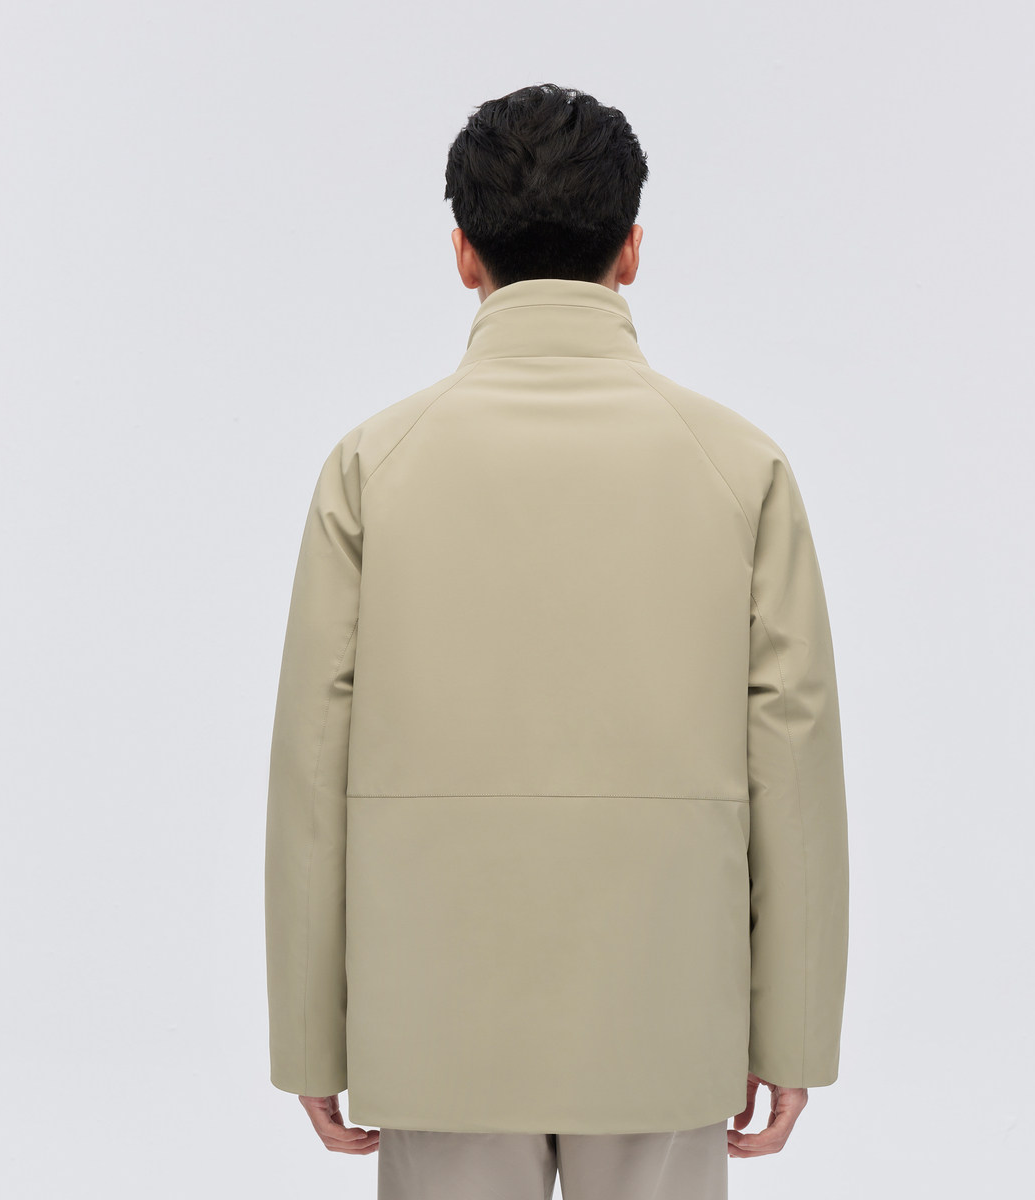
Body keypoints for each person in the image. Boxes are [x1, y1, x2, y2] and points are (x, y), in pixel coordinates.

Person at [264, 81, 850, 1200]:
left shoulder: (372, 467)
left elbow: (311, 763)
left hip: (432, 1014)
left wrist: (310, 1036)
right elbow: (794, 753)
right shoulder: (741, 467)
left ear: (462, 253)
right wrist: (795, 1031)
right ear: (631, 250)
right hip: (668, 1007)